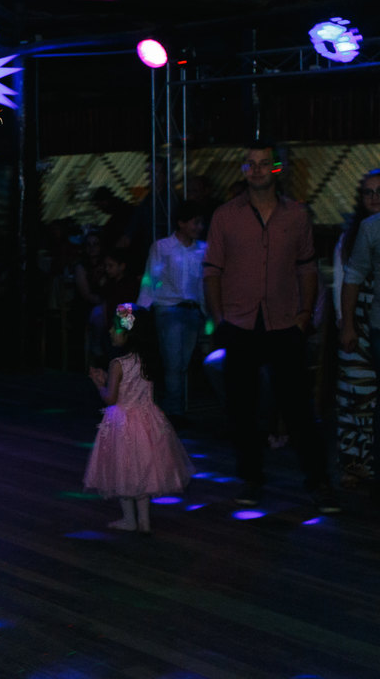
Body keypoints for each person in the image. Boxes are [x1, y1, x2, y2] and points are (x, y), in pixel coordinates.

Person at [203, 142, 339, 512]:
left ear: (275, 169)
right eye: (252, 164)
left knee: (297, 408)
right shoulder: (225, 216)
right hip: (240, 322)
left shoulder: (296, 215)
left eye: (265, 164)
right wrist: (219, 320)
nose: (259, 170)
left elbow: (307, 268)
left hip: (283, 323)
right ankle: (251, 478)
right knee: (242, 410)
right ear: (243, 170)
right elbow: (212, 271)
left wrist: (304, 314)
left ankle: (319, 481)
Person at [84, 304, 194, 533]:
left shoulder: (117, 364)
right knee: (143, 470)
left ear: (128, 333)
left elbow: (111, 399)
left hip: (123, 423)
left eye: (115, 329)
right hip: (148, 420)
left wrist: (99, 384)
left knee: (123, 470)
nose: (110, 333)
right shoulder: (147, 361)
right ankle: (144, 520)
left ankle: (129, 519)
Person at [136, 200, 207, 421]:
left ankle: (173, 408)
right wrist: (142, 307)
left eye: (200, 223)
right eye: (195, 223)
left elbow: (204, 284)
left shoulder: (203, 250)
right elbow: (151, 278)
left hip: (193, 310)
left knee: (181, 363)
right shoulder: (163, 247)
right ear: (182, 223)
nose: (199, 227)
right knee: (174, 363)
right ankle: (174, 412)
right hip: (169, 309)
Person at [337, 169, 380, 494]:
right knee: (355, 398)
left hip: (371, 320)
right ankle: (354, 464)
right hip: (356, 323)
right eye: (368, 193)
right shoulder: (356, 233)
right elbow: (345, 280)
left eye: (378, 192)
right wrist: (346, 323)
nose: (374, 198)